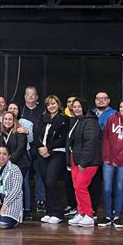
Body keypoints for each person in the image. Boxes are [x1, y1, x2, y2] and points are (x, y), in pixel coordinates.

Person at [99, 99, 123, 228]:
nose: (122, 108)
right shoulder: (112, 118)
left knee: (120, 188)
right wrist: (109, 156)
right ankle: (108, 216)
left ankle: (117, 216)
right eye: (120, 106)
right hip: (109, 159)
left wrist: (122, 156)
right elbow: (106, 138)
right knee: (107, 188)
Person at [33, 95, 69, 225]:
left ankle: (58, 212)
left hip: (56, 153)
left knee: (51, 182)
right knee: (45, 182)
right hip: (41, 153)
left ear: (58, 104)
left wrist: (48, 148)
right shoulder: (42, 118)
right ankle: (49, 211)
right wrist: (41, 149)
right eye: (48, 104)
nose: (51, 106)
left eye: (53, 103)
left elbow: (63, 138)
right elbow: (36, 134)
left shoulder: (64, 119)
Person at [66, 98, 102, 228]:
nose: (76, 109)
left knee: (81, 187)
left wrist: (83, 162)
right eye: (74, 107)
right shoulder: (78, 121)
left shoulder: (90, 122)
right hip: (76, 160)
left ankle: (88, 215)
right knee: (77, 188)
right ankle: (81, 212)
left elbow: (91, 144)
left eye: (79, 106)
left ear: (85, 107)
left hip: (87, 162)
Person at [7, 102, 34, 218]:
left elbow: (26, 143)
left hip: (22, 158)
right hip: (8, 159)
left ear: (19, 111)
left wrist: (27, 131)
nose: (13, 110)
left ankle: (26, 209)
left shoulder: (24, 124)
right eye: (10, 108)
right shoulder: (5, 124)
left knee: (23, 183)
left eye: (15, 108)